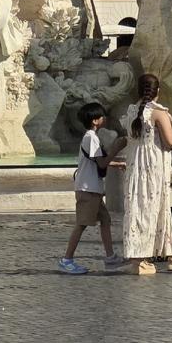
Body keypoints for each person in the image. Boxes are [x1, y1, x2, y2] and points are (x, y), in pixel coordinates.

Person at [121, 74, 172, 276]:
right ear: (157, 91)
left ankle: (170, 253)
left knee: (141, 209)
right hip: (153, 167)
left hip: (135, 166)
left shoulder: (131, 111)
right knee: (155, 208)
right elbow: (169, 141)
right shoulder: (158, 112)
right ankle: (141, 259)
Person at [58, 102, 127, 275]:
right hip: (87, 189)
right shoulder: (91, 138)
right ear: (95, 120)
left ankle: (110, 257)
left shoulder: (91, 137)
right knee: (81, 224)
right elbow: (101, 163)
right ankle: (67, 260)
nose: (105, 118)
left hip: (92, 189)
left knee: (105, 220)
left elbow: (95, 162)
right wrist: (116, 148)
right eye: (102, 116)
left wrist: (117, 164)